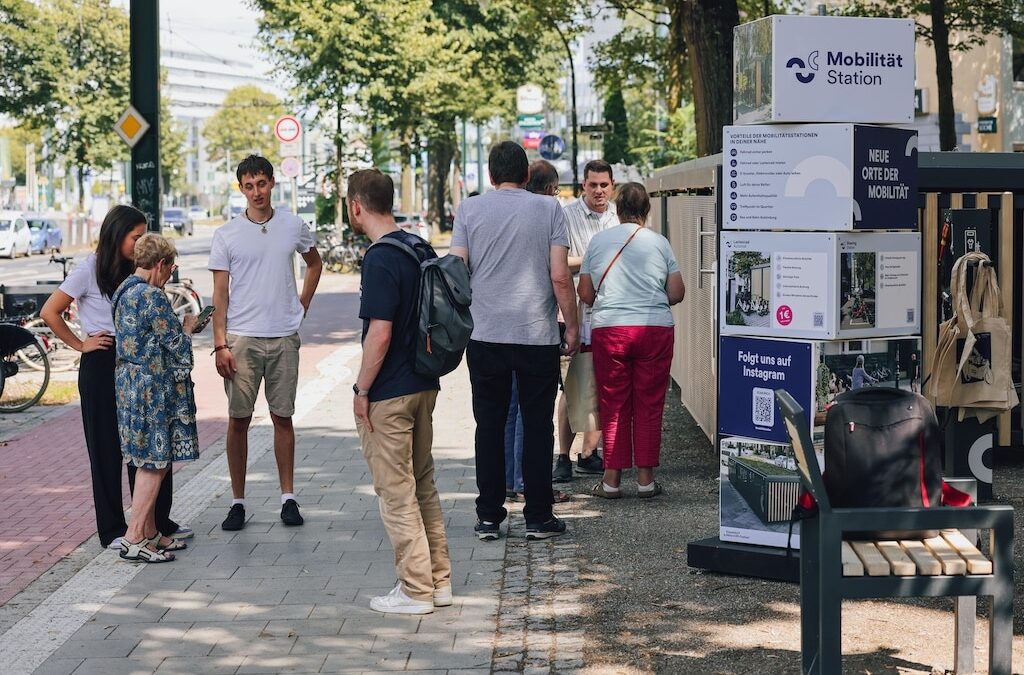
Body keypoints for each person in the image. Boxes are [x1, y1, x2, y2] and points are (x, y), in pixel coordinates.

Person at [40, 205, 190, 550]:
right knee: (107, 450)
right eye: (136, 237)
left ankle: (156, 523)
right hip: (102, 361)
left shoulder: (139, 271)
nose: (141, 244)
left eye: (144, 237)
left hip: (139, 365)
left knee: (150, 444)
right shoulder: (89, 269)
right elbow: (49, 311)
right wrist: (81, 344)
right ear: (116, 235)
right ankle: (112, 529)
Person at [451, 141, 580, 542]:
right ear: (526, 175)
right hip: (535, 335)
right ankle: (539, 516)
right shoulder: (548, 209)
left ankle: (489, 516)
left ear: (490, 177)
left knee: (488, 424)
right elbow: (560, 276)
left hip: (485, 334)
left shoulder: (470, 210)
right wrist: (571, 325)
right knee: (538, 425)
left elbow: (456, 270)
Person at [348, 168, 451, 615]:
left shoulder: (379, 257)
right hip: (424, 382)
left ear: (356, 206)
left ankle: (414, 591)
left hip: (388, 392)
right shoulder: (417, 246)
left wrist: (361, 388)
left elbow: (380, 333)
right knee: (423, 485)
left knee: (396, 492)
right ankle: (439, 582)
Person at [209, 155, 323, 531]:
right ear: (240, 189)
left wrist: (302, 305)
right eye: (248, 185)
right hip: (241, 339)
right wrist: (220, 344)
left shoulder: (292, 224)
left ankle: (288, 498)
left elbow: (314, 262)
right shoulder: (226, 234)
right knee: (238, 420)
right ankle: (238, 501)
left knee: (283, 417)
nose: (256, 191)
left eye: (261, 183)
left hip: (283, 337)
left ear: (272, 183)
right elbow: (220, 294)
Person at [577, 183, 684, 499]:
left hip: (610, 331)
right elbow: (676, 292)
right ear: (646, 210)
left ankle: (611, 481)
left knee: (613, 404)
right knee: (650, 403)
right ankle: (646, 480)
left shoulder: (598, 242)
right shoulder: (660, 243)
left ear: (617, 208)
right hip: (654, 330)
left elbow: (585, 293)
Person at [112, 234, 200, 562]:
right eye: (170, 268)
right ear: (160, 264)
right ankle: (134, 537)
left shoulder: (123, 292)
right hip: (153, 390)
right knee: (154, 461)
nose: (169, 276)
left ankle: (150, 532)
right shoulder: (152, 296)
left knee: (142, 458)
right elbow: (177, 347)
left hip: (128, 386)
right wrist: (189, 327)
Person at [554, 159, 618, 482]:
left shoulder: (617, 217)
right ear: (583, 186)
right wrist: (594, 259)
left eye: (603, 185)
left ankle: (588, 453)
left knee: (601, 387)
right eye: (592, 185)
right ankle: (563, 457)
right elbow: (560, 263)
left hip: (610, 314)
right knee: (573, 387)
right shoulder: (566, 216)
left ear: (612, 186)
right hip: (576, 313)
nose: (598, 191)